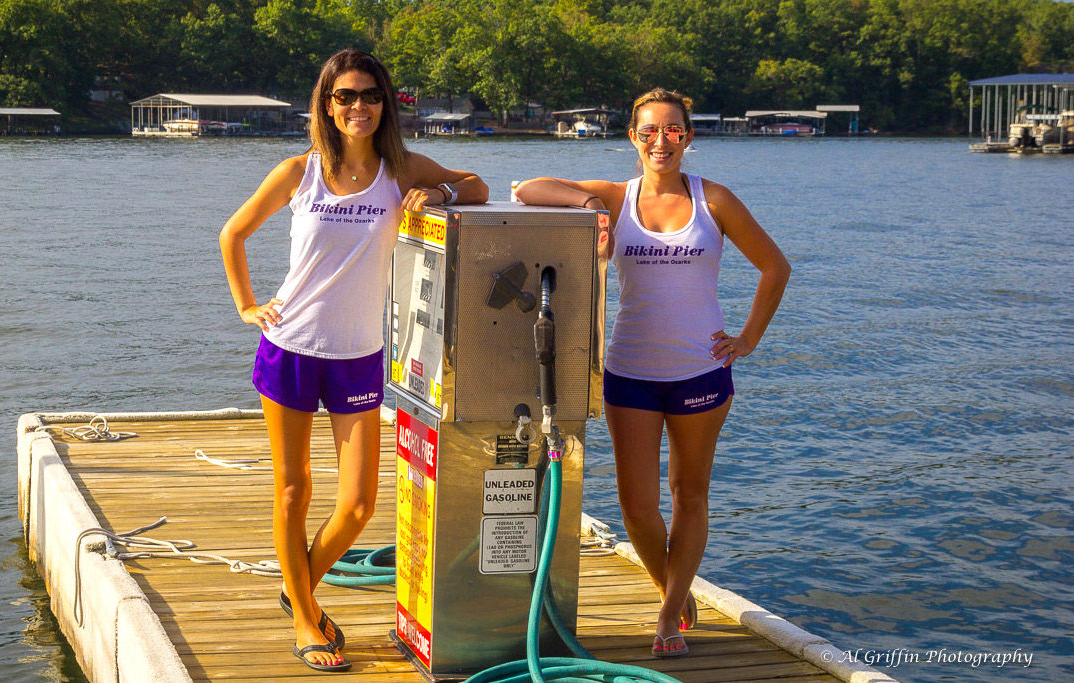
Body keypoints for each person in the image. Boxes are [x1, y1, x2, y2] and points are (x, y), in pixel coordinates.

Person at [219, 49, 487, 672]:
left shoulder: (401, 171)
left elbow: (475, 186)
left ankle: (299, 587)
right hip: (290, 346)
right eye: (345, 96)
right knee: (293, 490)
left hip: (360, 354)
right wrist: (247, 306)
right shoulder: (299, 171)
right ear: (327, 104)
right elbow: (233, 234)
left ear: (384, 103)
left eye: (369, 94)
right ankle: (305, 619)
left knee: (360, 503)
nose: (358, 106)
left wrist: (438, 192)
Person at [516, 88, 790, 658]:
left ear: (688, 137)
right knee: (637, 506)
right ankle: (671, 585)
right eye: (648, 131)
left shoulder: (715, 200)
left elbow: (775, 267)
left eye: (672, 131)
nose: (660, 141)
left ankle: (667, 616)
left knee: (689, 494)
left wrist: (748, 339)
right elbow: (527, 188)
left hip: (701, 374)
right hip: (630, 373)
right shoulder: (618, 198)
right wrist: (589, 206)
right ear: (633, 137)